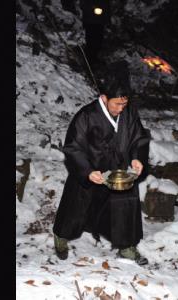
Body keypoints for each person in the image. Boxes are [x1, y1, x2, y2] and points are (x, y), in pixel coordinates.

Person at [52, 69, 151, 265]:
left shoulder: (129, 113)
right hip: (91, 171)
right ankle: (61, 237)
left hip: (118, 172)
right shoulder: (86, 116)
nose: (121, 108)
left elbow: (138, 139)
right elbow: (73, 147)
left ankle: (126, 247)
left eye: (125, 103)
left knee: (125, 204)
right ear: (104, 98)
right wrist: (87, 171)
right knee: (76, 206)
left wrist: (137, 158)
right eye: (117, 104)